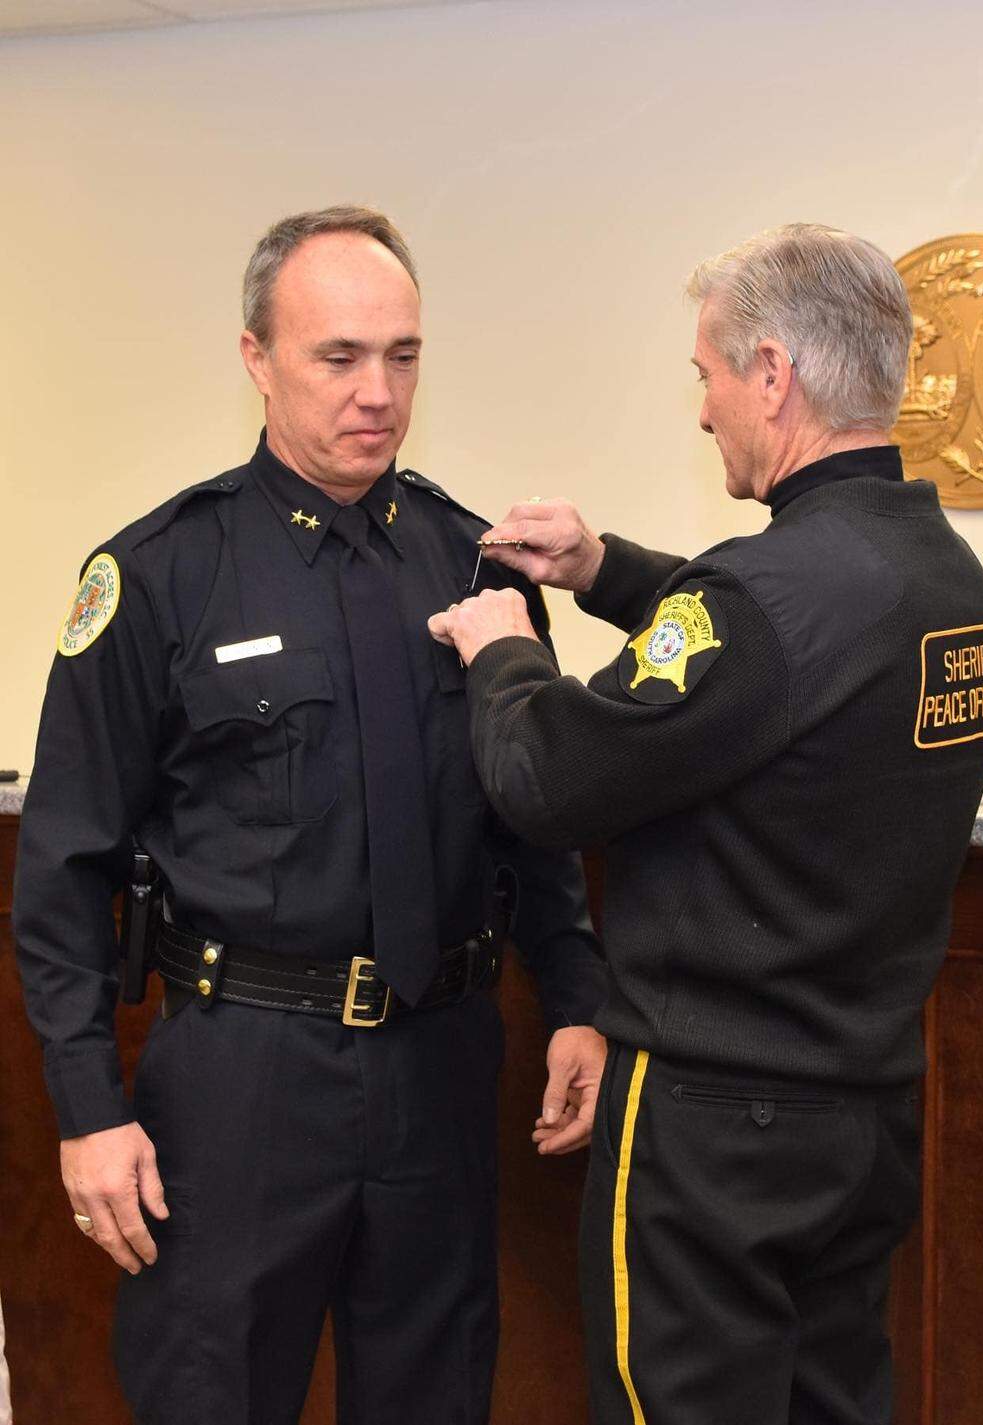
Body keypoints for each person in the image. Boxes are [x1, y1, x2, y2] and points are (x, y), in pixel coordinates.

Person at [13, 205, 607, 1425]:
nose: (377, 391)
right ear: (256, 359)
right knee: (214, 1394)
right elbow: (63, 868)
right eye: (339, 357)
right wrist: (87, 1113)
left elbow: (530, 820)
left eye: (403, 355)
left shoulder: (477, 566)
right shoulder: (160, 575)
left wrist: (578, 1004)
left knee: (435, 1396)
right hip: (244, 1079)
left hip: (442, 1062)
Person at [429, 223, 983, 1425]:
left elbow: (549, 780)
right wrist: (605, 568)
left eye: (705, 375)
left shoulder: (768, 600)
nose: (703, 413)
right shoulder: (947, 583)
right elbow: (778, 665)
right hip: (861, 1114)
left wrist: (506, 655)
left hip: (715, 1133)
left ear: (772, 375)